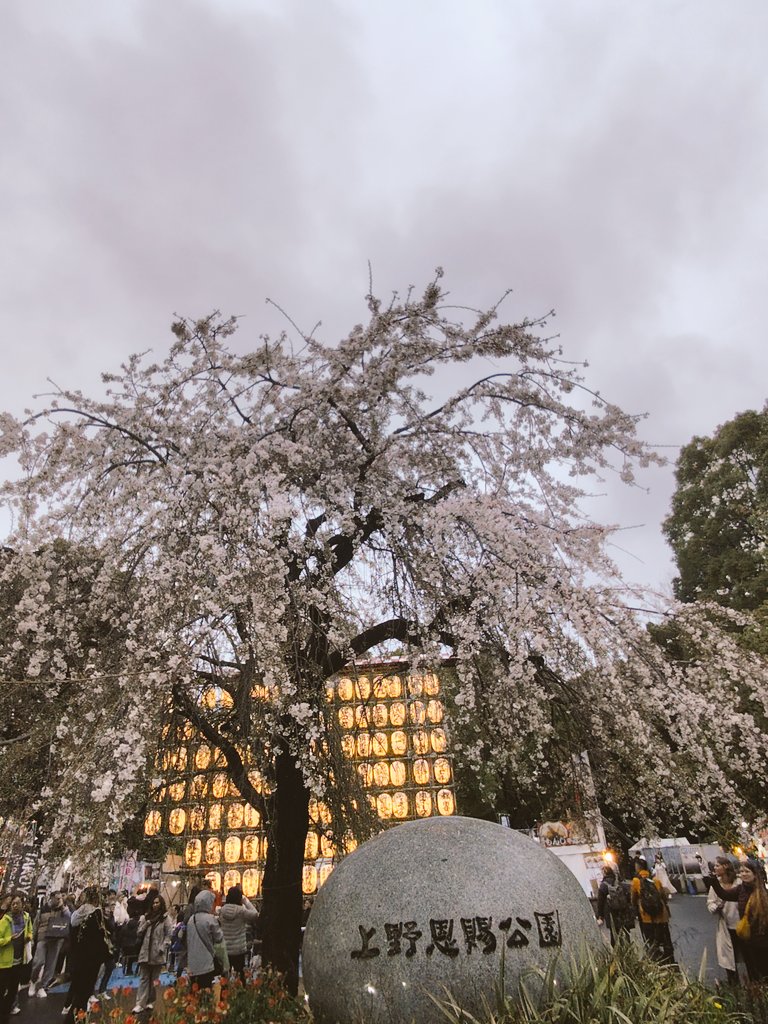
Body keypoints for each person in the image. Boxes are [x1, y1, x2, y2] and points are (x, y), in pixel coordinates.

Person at [706, 859, 768, 982]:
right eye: (741, 871)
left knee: (764, 969)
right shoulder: (741, 889)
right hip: (748, 937)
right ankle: (757, 993)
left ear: (755, 874)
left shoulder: (763, 892)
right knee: (752, 967)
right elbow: (724, 895)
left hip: (763, 938)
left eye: (747, 871)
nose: (743, 874)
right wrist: (713, 881)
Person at [64, 886, 112, 1023]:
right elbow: (102, 938)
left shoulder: (77, 914)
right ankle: (76, 1019)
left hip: (77, 959)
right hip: (91, 961)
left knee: (78, 992)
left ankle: (75, 1017)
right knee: (84, 994)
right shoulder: (97, 915)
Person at [631, 857, 675, 965]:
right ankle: (670, 960)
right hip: (661, 915)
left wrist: (635, 909)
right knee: (665, 938)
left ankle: (656, 962)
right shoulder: (655, 880)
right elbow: (663, 895)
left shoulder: (636, 881)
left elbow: (633, 898)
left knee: (651, 940)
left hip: (646, 917)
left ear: (637, 868)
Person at [133, 894, 172, 1014]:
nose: (155, 905)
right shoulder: (146, 917)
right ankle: (140, 1003)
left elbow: (168, 935)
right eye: (153, 903)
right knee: (144, 978)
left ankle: (150, 1001)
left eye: (157, 903)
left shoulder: (165, 918)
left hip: (157, 953)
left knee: (154, 979)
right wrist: (147, 923)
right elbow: (139, 932)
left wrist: (163, 946)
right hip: (145, 952)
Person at [28, 891, 71, 998]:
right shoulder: (43, 909)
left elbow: (70, 920)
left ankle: (42, 986)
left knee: (51, 965)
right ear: (51, 898)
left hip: (56, 939)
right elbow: (36, 923)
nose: (58, 900)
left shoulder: (63, 910)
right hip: (43, 937)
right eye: (56, 898)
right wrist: (33, 938)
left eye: (60, 898)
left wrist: (64, 908)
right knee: (38, 961)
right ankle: (33, 981)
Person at [706, 857, 740, 985]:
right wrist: (715, 907)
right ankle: (733, 982)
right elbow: (710, 903)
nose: (715, 868)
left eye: (717, 865)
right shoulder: (716, 884)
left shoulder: (738, 882)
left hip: (741, 924)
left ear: (725, 866)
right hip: (726, 925)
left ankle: (754, 983)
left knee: (748, 955)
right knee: (728, 956)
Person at [0, 894, 33, 1024]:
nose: (15, 906)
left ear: (22, 904)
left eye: (18, 903)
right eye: (13, 903)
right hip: (4, 963)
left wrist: (29, 937)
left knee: (13, 991)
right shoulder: (4, 921)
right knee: (2, 991)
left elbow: (30, 930)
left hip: (19, 961)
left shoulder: (26, 918)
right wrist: (9, 939)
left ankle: (5, 1015)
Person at [186, 889, 226, 990]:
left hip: (192, 963)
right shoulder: (210, 919)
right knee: (206, 991)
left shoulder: (191, 919)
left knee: (194, 991)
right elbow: (219, 937)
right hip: (206, 962)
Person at [218, 886, 258, 983]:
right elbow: (256, 914)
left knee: (224, 978)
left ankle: (224, 996)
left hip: (225, 950)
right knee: (241, 977)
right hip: (239, 950)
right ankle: (240, 996)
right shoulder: (241, 911)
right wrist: (245, 901)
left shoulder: (221, 911)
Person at [596, 866, 634, 946]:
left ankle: (617, 953)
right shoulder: (619, 882)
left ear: (605, 873)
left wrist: (600, 916)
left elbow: (600, 902)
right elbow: (628, 896)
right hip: (623, 912)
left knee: (614, 933)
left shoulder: (603, 885)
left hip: (611, 913)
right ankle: (629, 949)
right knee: (625, 931)